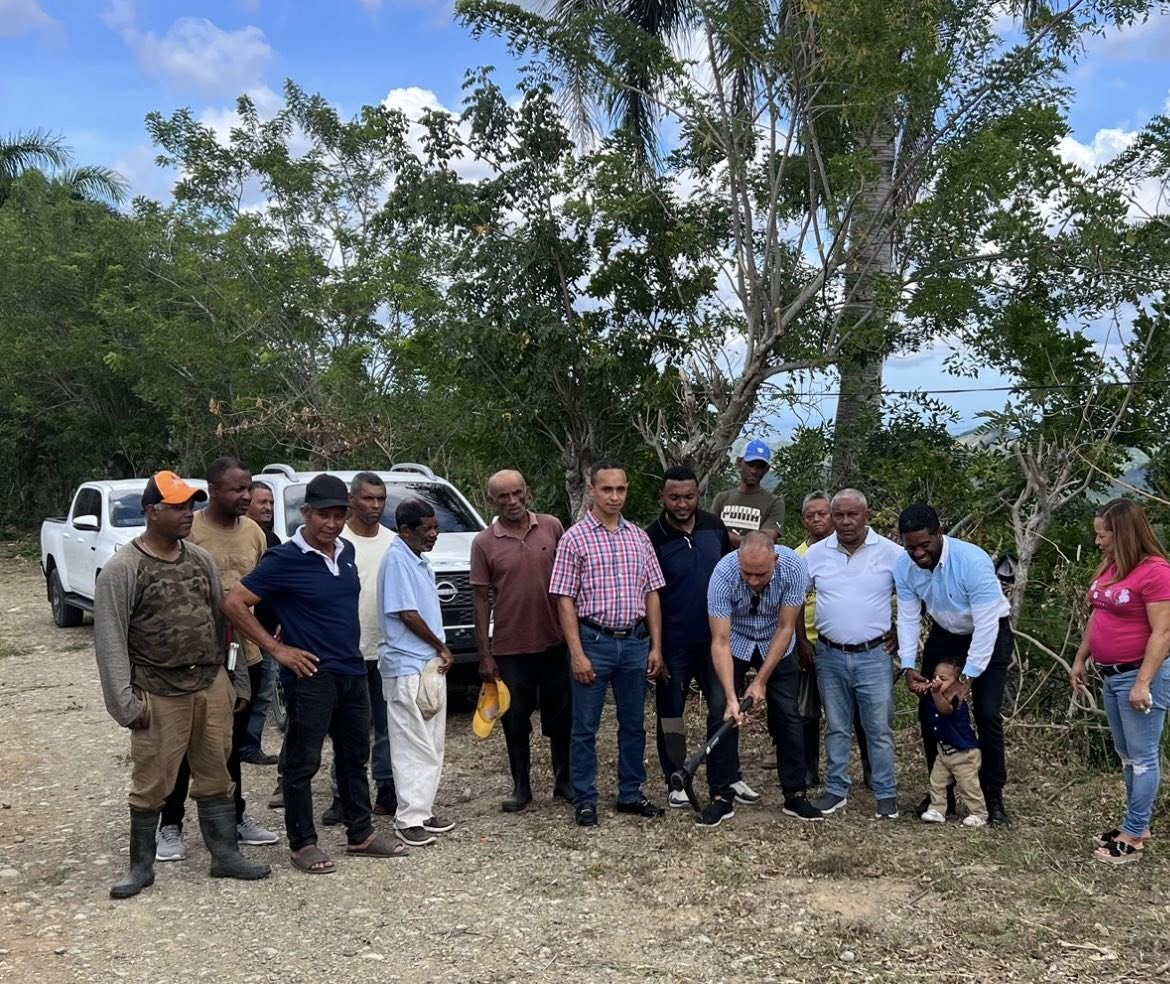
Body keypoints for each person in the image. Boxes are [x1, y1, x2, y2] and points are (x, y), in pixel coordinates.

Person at [94, 471, 269, 898]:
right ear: (152, 511)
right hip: (156, 691)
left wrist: (237, 680)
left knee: (215, 774)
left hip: (210, 685)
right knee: (151, 780)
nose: (187, 514)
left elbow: (223, 622)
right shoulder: (124, 568)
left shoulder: (199, 559)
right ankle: (141, 867)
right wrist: (125, 704)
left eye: (190, 505)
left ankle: (224, 855)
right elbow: (111, 639)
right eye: (177, 507)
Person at [223, 473, 404, 874]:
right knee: (303, 764)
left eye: (340, 515)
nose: (332, 524)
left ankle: (361, 834)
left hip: (351, 669)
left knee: (354, 757)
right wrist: (276, 649)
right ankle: (303, 843)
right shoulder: (284, 558)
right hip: (310, 677)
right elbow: (235, 603)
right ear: (305, 512)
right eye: (324, 515)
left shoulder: (347, 552)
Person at [156, 458, 279, 864]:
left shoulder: (256, 534)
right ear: (212, 489)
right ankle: (169, 823)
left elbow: (264, 590)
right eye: (235, 489)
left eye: (248, 488)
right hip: (198, 659)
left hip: (247, 654)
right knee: (186, 743)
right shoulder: (191, 534)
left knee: (231, 744)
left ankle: (235, 817)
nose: (245, 496)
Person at [549, 458, 667, 828]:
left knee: (634, 725)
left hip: (634, 642)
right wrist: (577, 653)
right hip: (594, 641)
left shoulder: (639, 537)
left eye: (621, 489)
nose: (615, 496)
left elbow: (652, 594)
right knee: (585, 727)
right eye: (607, 489)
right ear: (592, 490)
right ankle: (584, 797)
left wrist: (656, 646)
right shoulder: (574, 539)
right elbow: (564, 598)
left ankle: (630, 793)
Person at [646, 465, 757, 823]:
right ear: (663, 497)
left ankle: (727, 777)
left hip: (717, 641)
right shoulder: (653, 536)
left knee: (724, 708)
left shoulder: (714, 527)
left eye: (689, 496)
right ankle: (676, 779)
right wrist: (657, 647)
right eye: (674, 497)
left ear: (699, 495)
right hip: (674, 642)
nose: (682, 504)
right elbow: (651, 596)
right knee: (671, 712)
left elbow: (734, 573)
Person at [895, 503, 1013, 827]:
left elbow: (987, 625)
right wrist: (907, 666)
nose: (918, 553)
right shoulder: (903, 567)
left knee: (987, 713)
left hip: (989, 630)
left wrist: (967, 678)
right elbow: (907, 615)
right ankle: (940, 796)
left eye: (924, 545)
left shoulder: (972, 561)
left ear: (940, 533)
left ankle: (993, 797)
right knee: (929, 710)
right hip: (946, 633)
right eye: (911, 547)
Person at [1071, 498, 1170, 864]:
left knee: (1143, 757)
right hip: (1110, 674)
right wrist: (1081, 657)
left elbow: (1163, 633)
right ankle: (1135, 823)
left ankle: (1135, 834)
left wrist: (1143, 682)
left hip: (1139, 674)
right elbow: (1099, 616)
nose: (1098, 541)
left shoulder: (1156, 572)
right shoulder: (1113, 568)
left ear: (1123, 534)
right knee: (1126, 755)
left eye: (1103, 535)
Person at [471, 470, 572, 812]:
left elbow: (570, 583)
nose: (512, 501)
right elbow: (481, 600)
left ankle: (564, 780)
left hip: (556, 641)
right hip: (511, 647)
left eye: (517, 493)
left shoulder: (552, 526)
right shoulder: (484, 542)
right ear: (491, 501)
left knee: (561, 715)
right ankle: (521, 788)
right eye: (503, 496)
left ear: (527, 491)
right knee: (515, 720)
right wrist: (484, 655)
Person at [708, 531, 824, 822]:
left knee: (788, 714)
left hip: (777, 642)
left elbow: (787, 628)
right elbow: (720, 640)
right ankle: (721, 795)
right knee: (720, 709)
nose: (754, 581)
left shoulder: (795, 567)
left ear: (775, 559)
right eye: (747, 573)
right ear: (738, 561)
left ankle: (795, 794)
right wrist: (733, 698)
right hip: (736, 639)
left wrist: (759, 681)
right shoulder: (723, 572)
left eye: (761, 574)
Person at [804, 490, 902, 819]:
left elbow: (914, 597)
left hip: (874, 655)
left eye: (852, 515)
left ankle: (886, 793)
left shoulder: (892, 554)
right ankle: (836, 790)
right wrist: (801, 641)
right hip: (829, 654)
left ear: (867, 515)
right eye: (839, 515)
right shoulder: (816, 554)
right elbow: (793, 597)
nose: (845, 522)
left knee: (879, 728)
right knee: (836, 726)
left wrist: (902, 633)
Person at [379, 498, 456, 847]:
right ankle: (407, 818)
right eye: (428, 530)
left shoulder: (417, 560)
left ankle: (422, 811)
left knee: (431, 742)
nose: (435, 535)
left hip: (425, 665)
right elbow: (406, 613)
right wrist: (441, 646)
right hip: (407, 664)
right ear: (406, 530)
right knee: (412, 744)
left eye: (436, 527)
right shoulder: (396, 559)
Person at [321, 473, 397, 825]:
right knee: (347, 729)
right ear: (352, 500)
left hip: (386, 648)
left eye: (380, 499)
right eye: (368, 499)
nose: (375, 506)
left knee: (386, 726)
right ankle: (343, 795)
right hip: (344, 650)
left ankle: (386, 788)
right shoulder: (336, 539)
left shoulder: (394, 542)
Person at [241, 480, 282, 772]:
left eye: (270, 502)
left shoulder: (275, 541)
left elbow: (282, 587)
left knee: (264, 691)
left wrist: (282, 619)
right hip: (237, 630)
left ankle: (250, 745)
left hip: (268, 630)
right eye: (261, 502)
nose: (267, 507)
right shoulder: (238, 538)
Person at [920, 655, 988, 827]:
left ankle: (979, 813)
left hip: (964, 754)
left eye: (942, 679)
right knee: (937, 781)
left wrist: (935, 693)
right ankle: (937, 809)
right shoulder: (933, 694)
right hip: (944, 752)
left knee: (968, 785)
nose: (936, 681)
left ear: (957, 682)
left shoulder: (956, 698)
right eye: (935, 676)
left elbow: (944, 709)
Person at [710, 439, 785, 548]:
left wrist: (724, 536)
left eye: (760, 466)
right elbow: (710, 534)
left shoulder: (774, 502)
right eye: (750, 464)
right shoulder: (722, 498)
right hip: (721, 562)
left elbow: (764, 542)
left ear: (766, 469)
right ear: (739, 462)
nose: (754, 471)